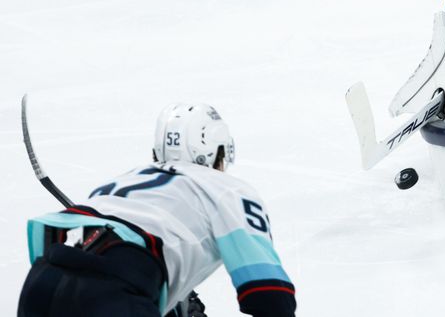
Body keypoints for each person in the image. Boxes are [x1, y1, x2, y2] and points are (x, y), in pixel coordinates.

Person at [18, 103, 296, 317]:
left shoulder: (121, 182)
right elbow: (267, 294)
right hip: (117, 285)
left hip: (42, 284)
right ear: (215, 150)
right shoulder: (226, 189)